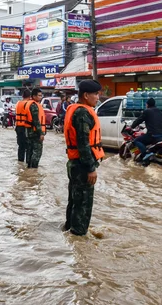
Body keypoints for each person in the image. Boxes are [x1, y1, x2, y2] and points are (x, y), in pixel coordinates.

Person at [63, 79, 104, 236]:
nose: (98, 97)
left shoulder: (78, 110)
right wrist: (90, 168)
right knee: (83, 205)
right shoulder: (82, 113)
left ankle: (69, 233)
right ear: (86, 95)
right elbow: (84, 144)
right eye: (95, 94)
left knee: (75, 201)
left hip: (75, 163)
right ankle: (78, 239)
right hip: (82, 165)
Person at [25, 88, 46, 168]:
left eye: (41, 95)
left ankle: (29, 169)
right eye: (39, 95)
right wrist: (41, 133)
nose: (41, 97)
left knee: (30, 151)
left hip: (30, 132)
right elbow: (36, 121)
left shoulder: (31, 104)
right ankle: (33, 169)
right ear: (34, 96)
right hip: (35, 132)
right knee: (37, 152)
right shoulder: (34, 106)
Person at [15, 89, 32, 162]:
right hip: (26, 127)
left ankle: (20, 161)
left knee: (20, 146)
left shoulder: (18, 103)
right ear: (30, 96)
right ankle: (27, 162)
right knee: (28, 146)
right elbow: (30, 118)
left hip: (18, 126)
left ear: (22, 96)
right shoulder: (28, 104)